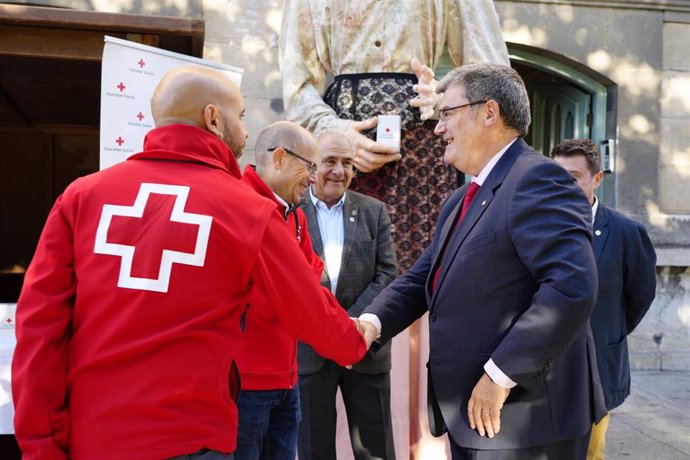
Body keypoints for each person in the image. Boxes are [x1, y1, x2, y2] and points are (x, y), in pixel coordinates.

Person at [11, 65, 367, 460]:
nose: (247, 134)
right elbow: (310, 311)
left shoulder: (81, 196)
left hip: (94, 438)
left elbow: (39, 329)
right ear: (213, 118)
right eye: (242, 117)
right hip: (191, 440)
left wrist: (42, 447)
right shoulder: (248, 210)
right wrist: (357, 339)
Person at [358, 63, 607, 459]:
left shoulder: (538, 178)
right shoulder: (463, 197)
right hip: (470, 417)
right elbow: (425, 275)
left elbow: (571, 287)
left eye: (447, 114)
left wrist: (500, 375)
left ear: (489, 112)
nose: (438, 129)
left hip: (523, 418)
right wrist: (369, 324)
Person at [280, 0, 510, 270]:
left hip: (421, 161)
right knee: (335, 274)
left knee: (418, 269)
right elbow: (296, 83)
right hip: (341, 156)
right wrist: (335, 131)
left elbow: (494, 76)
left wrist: (442, 99)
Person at [235, 121, 365, 460]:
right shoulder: (243, 207)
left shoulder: (295, 216)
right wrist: (350, 342)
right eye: (308, 166)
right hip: (246, 381)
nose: (313, 177)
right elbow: (297, 297)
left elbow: (310, 279)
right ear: (279, 158)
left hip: (286, 377)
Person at [550, 138, 657, 460]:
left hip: (598, 367)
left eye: (572, 177)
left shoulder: (626, 232)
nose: (561, 185)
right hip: (545, 368)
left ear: (597, 179)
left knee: (590, 452)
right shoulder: (538, 226)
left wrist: (609, 330)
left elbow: (640, 296)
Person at [297, 130, 398, 459]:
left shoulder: (374, 211)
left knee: (375, 448)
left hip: (363, 345)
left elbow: (387, 273)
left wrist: (348, 322)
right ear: (311, 167)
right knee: (313, 448)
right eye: (329, 161)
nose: (339, 171)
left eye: (347, 163)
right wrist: (328, 324)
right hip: (309, 350)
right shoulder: (290, 212)